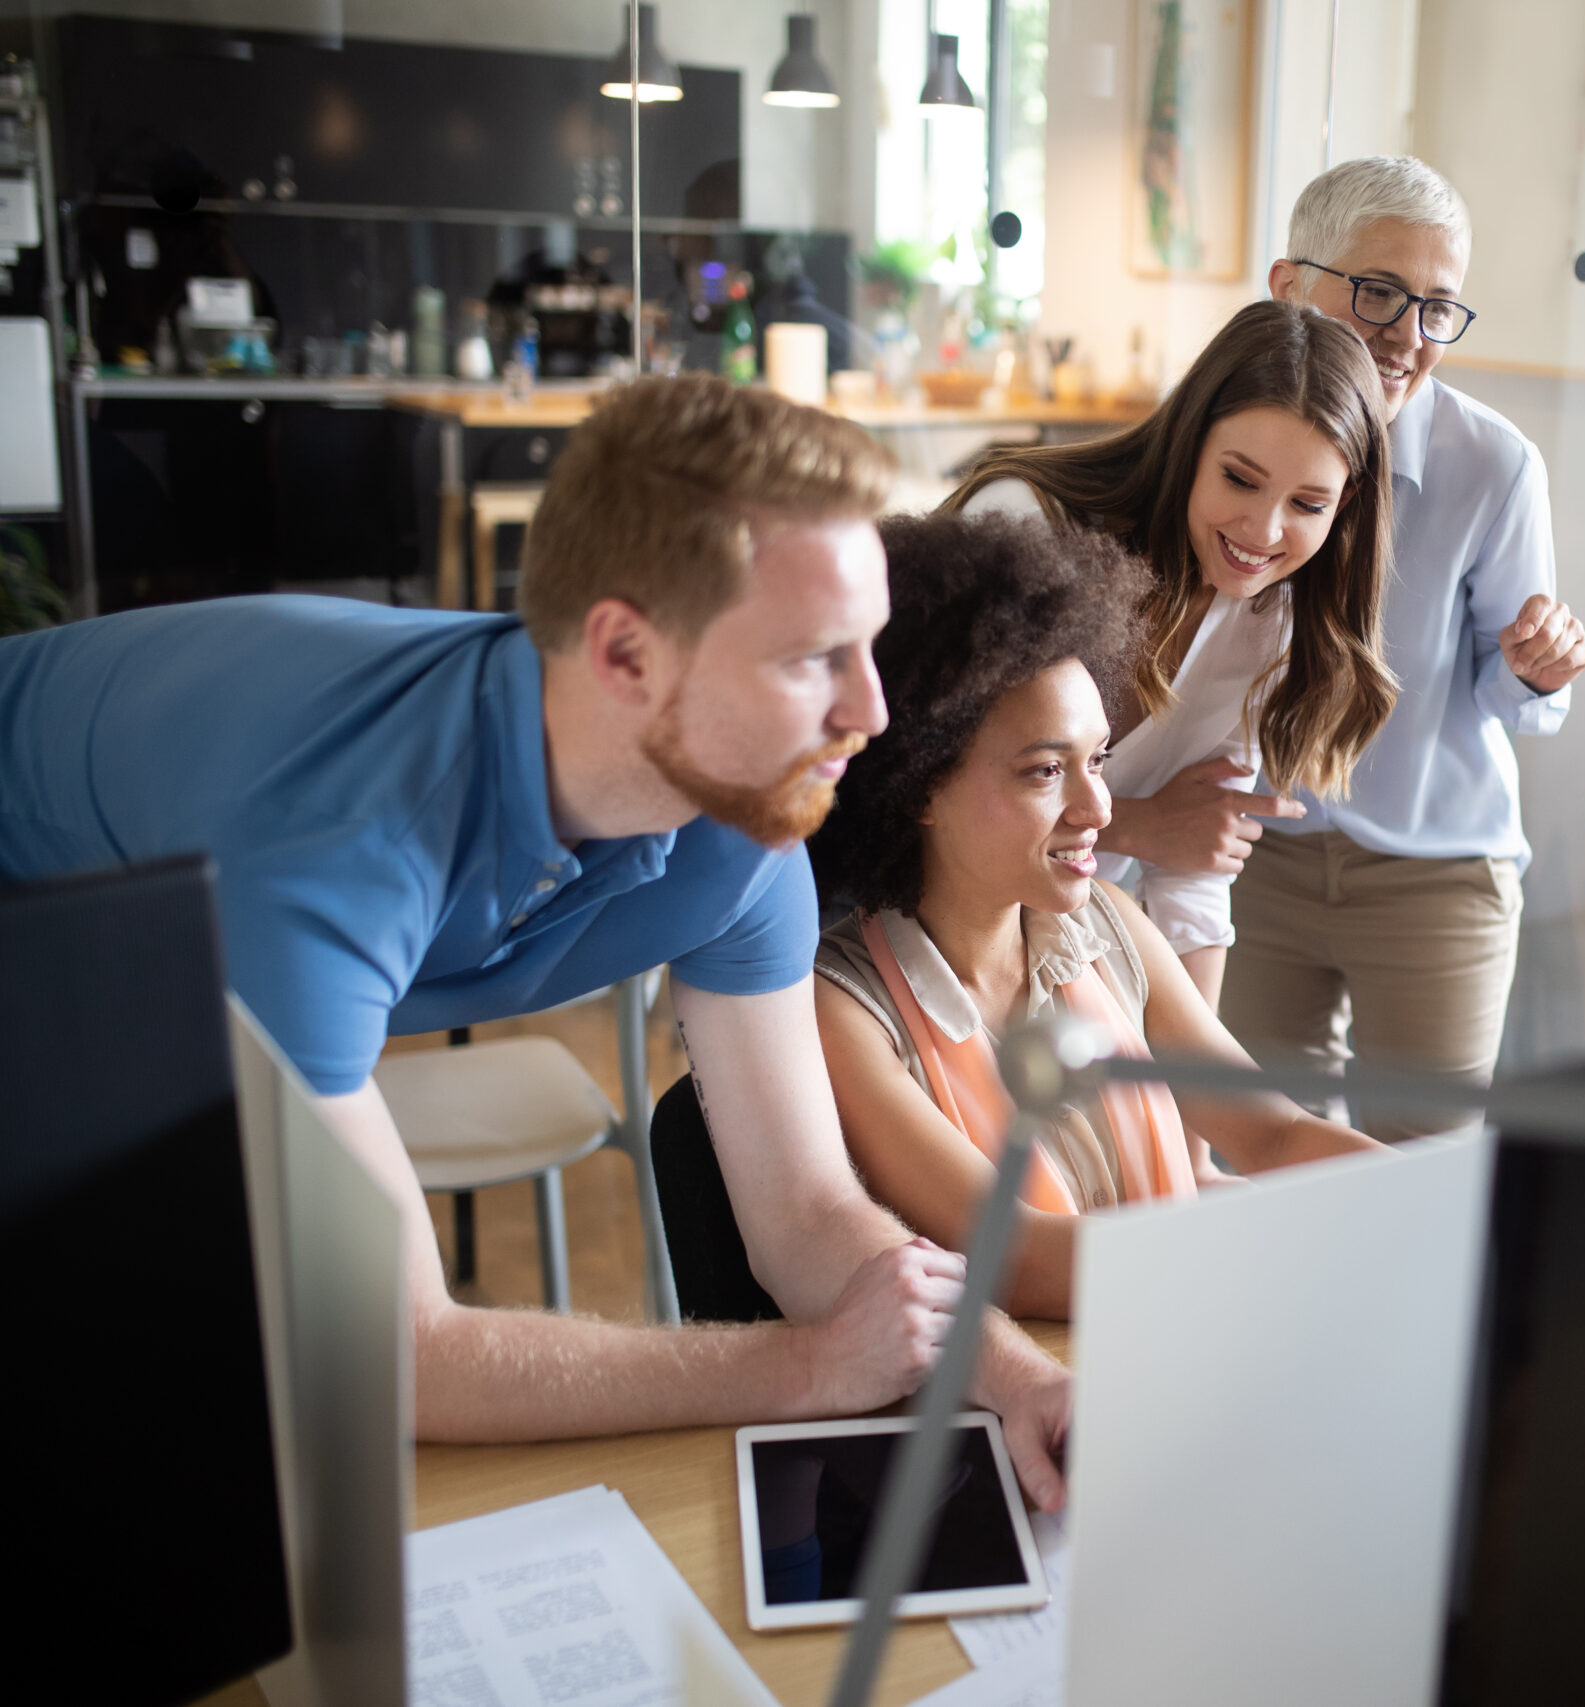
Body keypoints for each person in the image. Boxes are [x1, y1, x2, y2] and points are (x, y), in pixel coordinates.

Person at [0, 377, 1070, 1507]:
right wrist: (804, 1365)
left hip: (161, 933)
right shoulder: (338, 839)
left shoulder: (746, 826)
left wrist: (1016, 1376)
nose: (874, 713)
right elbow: (398, 1354)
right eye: (813, 659)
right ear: (623, 657)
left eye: (871, 649)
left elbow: (803, 1214)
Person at [805, 512, 1382, 1318]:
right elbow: (1024, 1260)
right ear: (919, 786)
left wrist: (1430, 1198)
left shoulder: (1110, 923)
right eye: (1046, 771)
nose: (1099, 807)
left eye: (1099, 759)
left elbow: (1273, 1134)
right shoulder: (844, 1010)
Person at [1233, 156, 1585, 1141]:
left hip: (1434, 869)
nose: (1407, 335)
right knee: (1246, 1164)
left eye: (1439, 307)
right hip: (1254, 852)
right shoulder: (1223, 440)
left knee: (1421, 1179)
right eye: (1379, 293)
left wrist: (1529, 669)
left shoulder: (1495, 465)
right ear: (1288, 286)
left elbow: (1517, 696)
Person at [948, 299, 1397, 1010]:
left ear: (1345, 507)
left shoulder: (1274, 616)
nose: (1263, 529)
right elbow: (936, 790)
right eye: (1240, 479)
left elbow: (1193, 869)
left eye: (1308, 504)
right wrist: (1138, 824)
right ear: (1190, 442)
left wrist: (1198, 1101)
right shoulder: (1032, 525)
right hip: (911, 925)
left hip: (1054, 951)